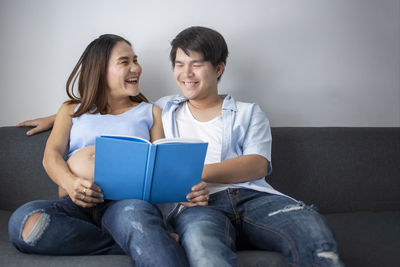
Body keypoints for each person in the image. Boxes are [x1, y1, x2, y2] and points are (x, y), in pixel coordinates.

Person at [17, 27, 344, 266]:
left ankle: (143, 237)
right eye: (178, 64)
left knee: (312, 234)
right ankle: (133, 242)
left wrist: (186, 178)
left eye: (196, 64)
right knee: (26, 224)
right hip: (114, 201)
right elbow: (68, 139)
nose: (185, 74)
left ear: (218, 68)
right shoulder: (90, 109)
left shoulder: (169, 111)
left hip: (153, 202)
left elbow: (249, 164)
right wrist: (61, 133)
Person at [9, 34, 209, 267]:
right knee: (24, 223)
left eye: (135, 60)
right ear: (100, 69)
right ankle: (124, 241)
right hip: (77, 205)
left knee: (135, 217)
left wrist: (187, 192)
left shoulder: (150, 112)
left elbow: (162, 168)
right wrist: (71, 183)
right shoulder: (71, 110)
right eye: (125, 62)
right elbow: (50, 156)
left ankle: (137, 235)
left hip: (126, 205)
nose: (136, 67)